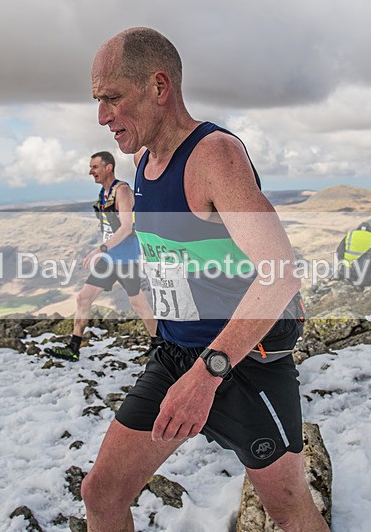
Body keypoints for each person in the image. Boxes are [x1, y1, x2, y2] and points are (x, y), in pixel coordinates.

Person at [82, 27, 329, 531]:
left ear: (158, 86)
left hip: (242, 364)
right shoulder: (144, 159)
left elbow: (279, 273)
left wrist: (206, 374)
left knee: (287, 510)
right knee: (102, 494)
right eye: (97, 101)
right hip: (177, 355)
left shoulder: (215, 156)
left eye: (112, 98)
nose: (102, 117)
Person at [45, 151, 158, 361]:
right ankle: (73, 348)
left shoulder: (122, 191)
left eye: (95, 167)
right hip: (108, 261)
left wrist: (100, 249)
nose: (91, 172)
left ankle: (159, 345)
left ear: (108, 168)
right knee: (83, 298)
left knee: (139, 305)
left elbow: (126, 227)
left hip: (125, 261)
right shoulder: (103, 193)